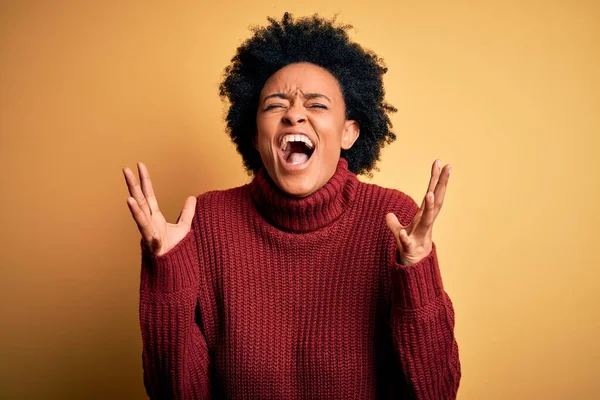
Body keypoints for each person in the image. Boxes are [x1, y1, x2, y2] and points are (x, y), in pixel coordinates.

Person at [123, 13, 460, 399]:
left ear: (349, 131)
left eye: (316, 105)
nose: (294, 114)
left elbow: (437, 392)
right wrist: (168, 270)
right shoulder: (206, 221)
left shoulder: (392, 220)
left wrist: (417, 270)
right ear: (254, 134)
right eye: (274, 105)